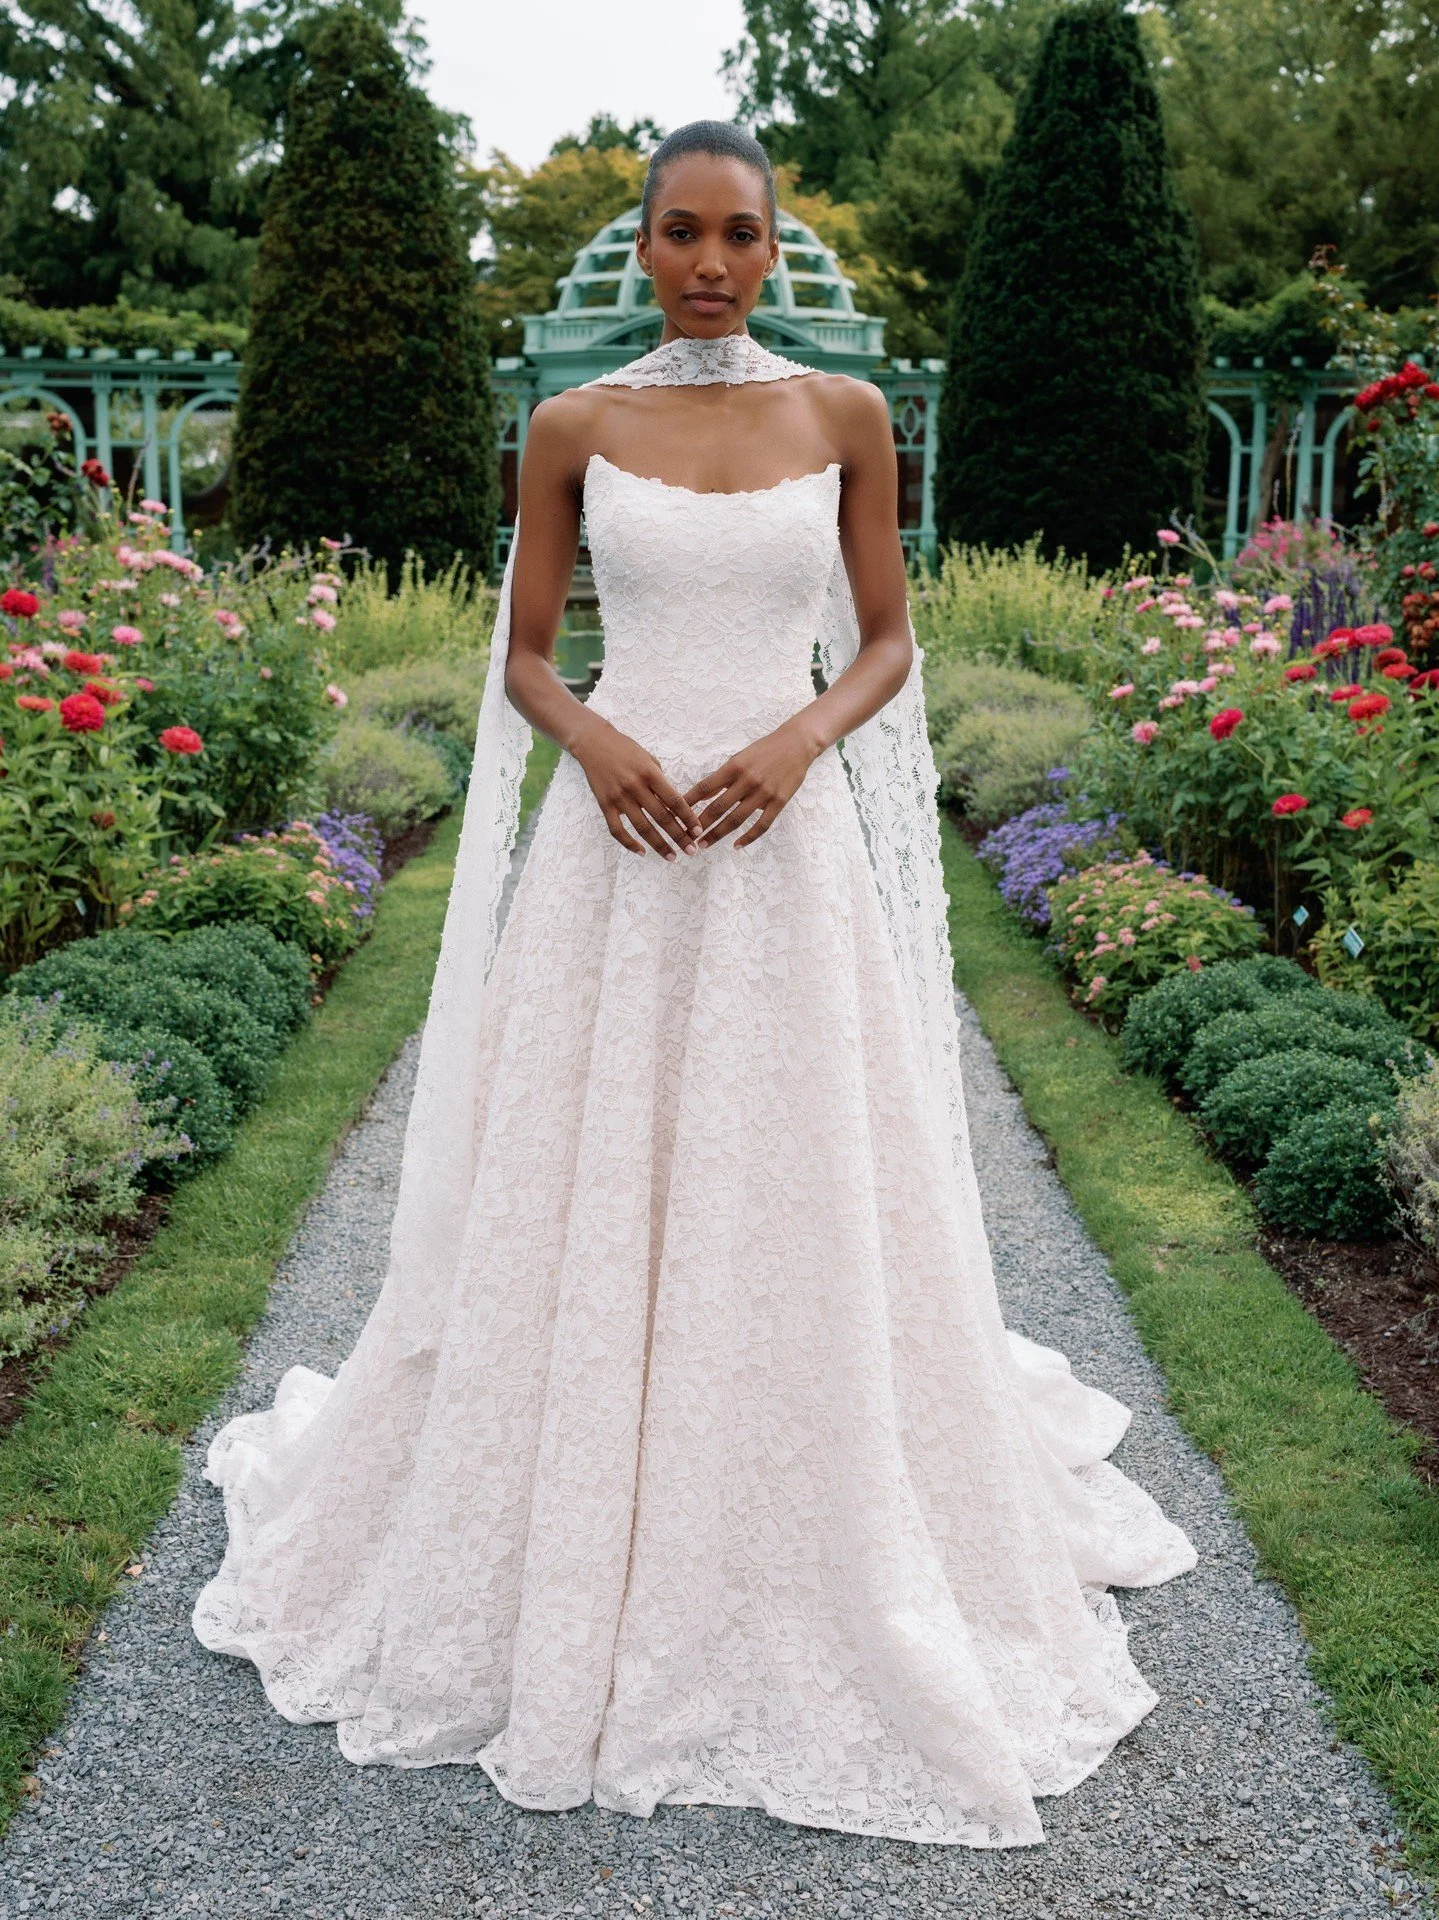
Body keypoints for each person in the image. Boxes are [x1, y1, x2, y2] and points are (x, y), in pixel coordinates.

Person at [194, 120, 1195, 1848]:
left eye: (743, 235)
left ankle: (804, 1501)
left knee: (792, 1161)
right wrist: (591, 743)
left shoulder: (843, 419)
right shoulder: (575, 428)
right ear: (644, 246)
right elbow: (523, 649)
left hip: (777, 845)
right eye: (683, 233)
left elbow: (885, 639)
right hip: (625, 846)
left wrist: (802, 737)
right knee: (592, 1162)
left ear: (778, 249)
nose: (714, 263)